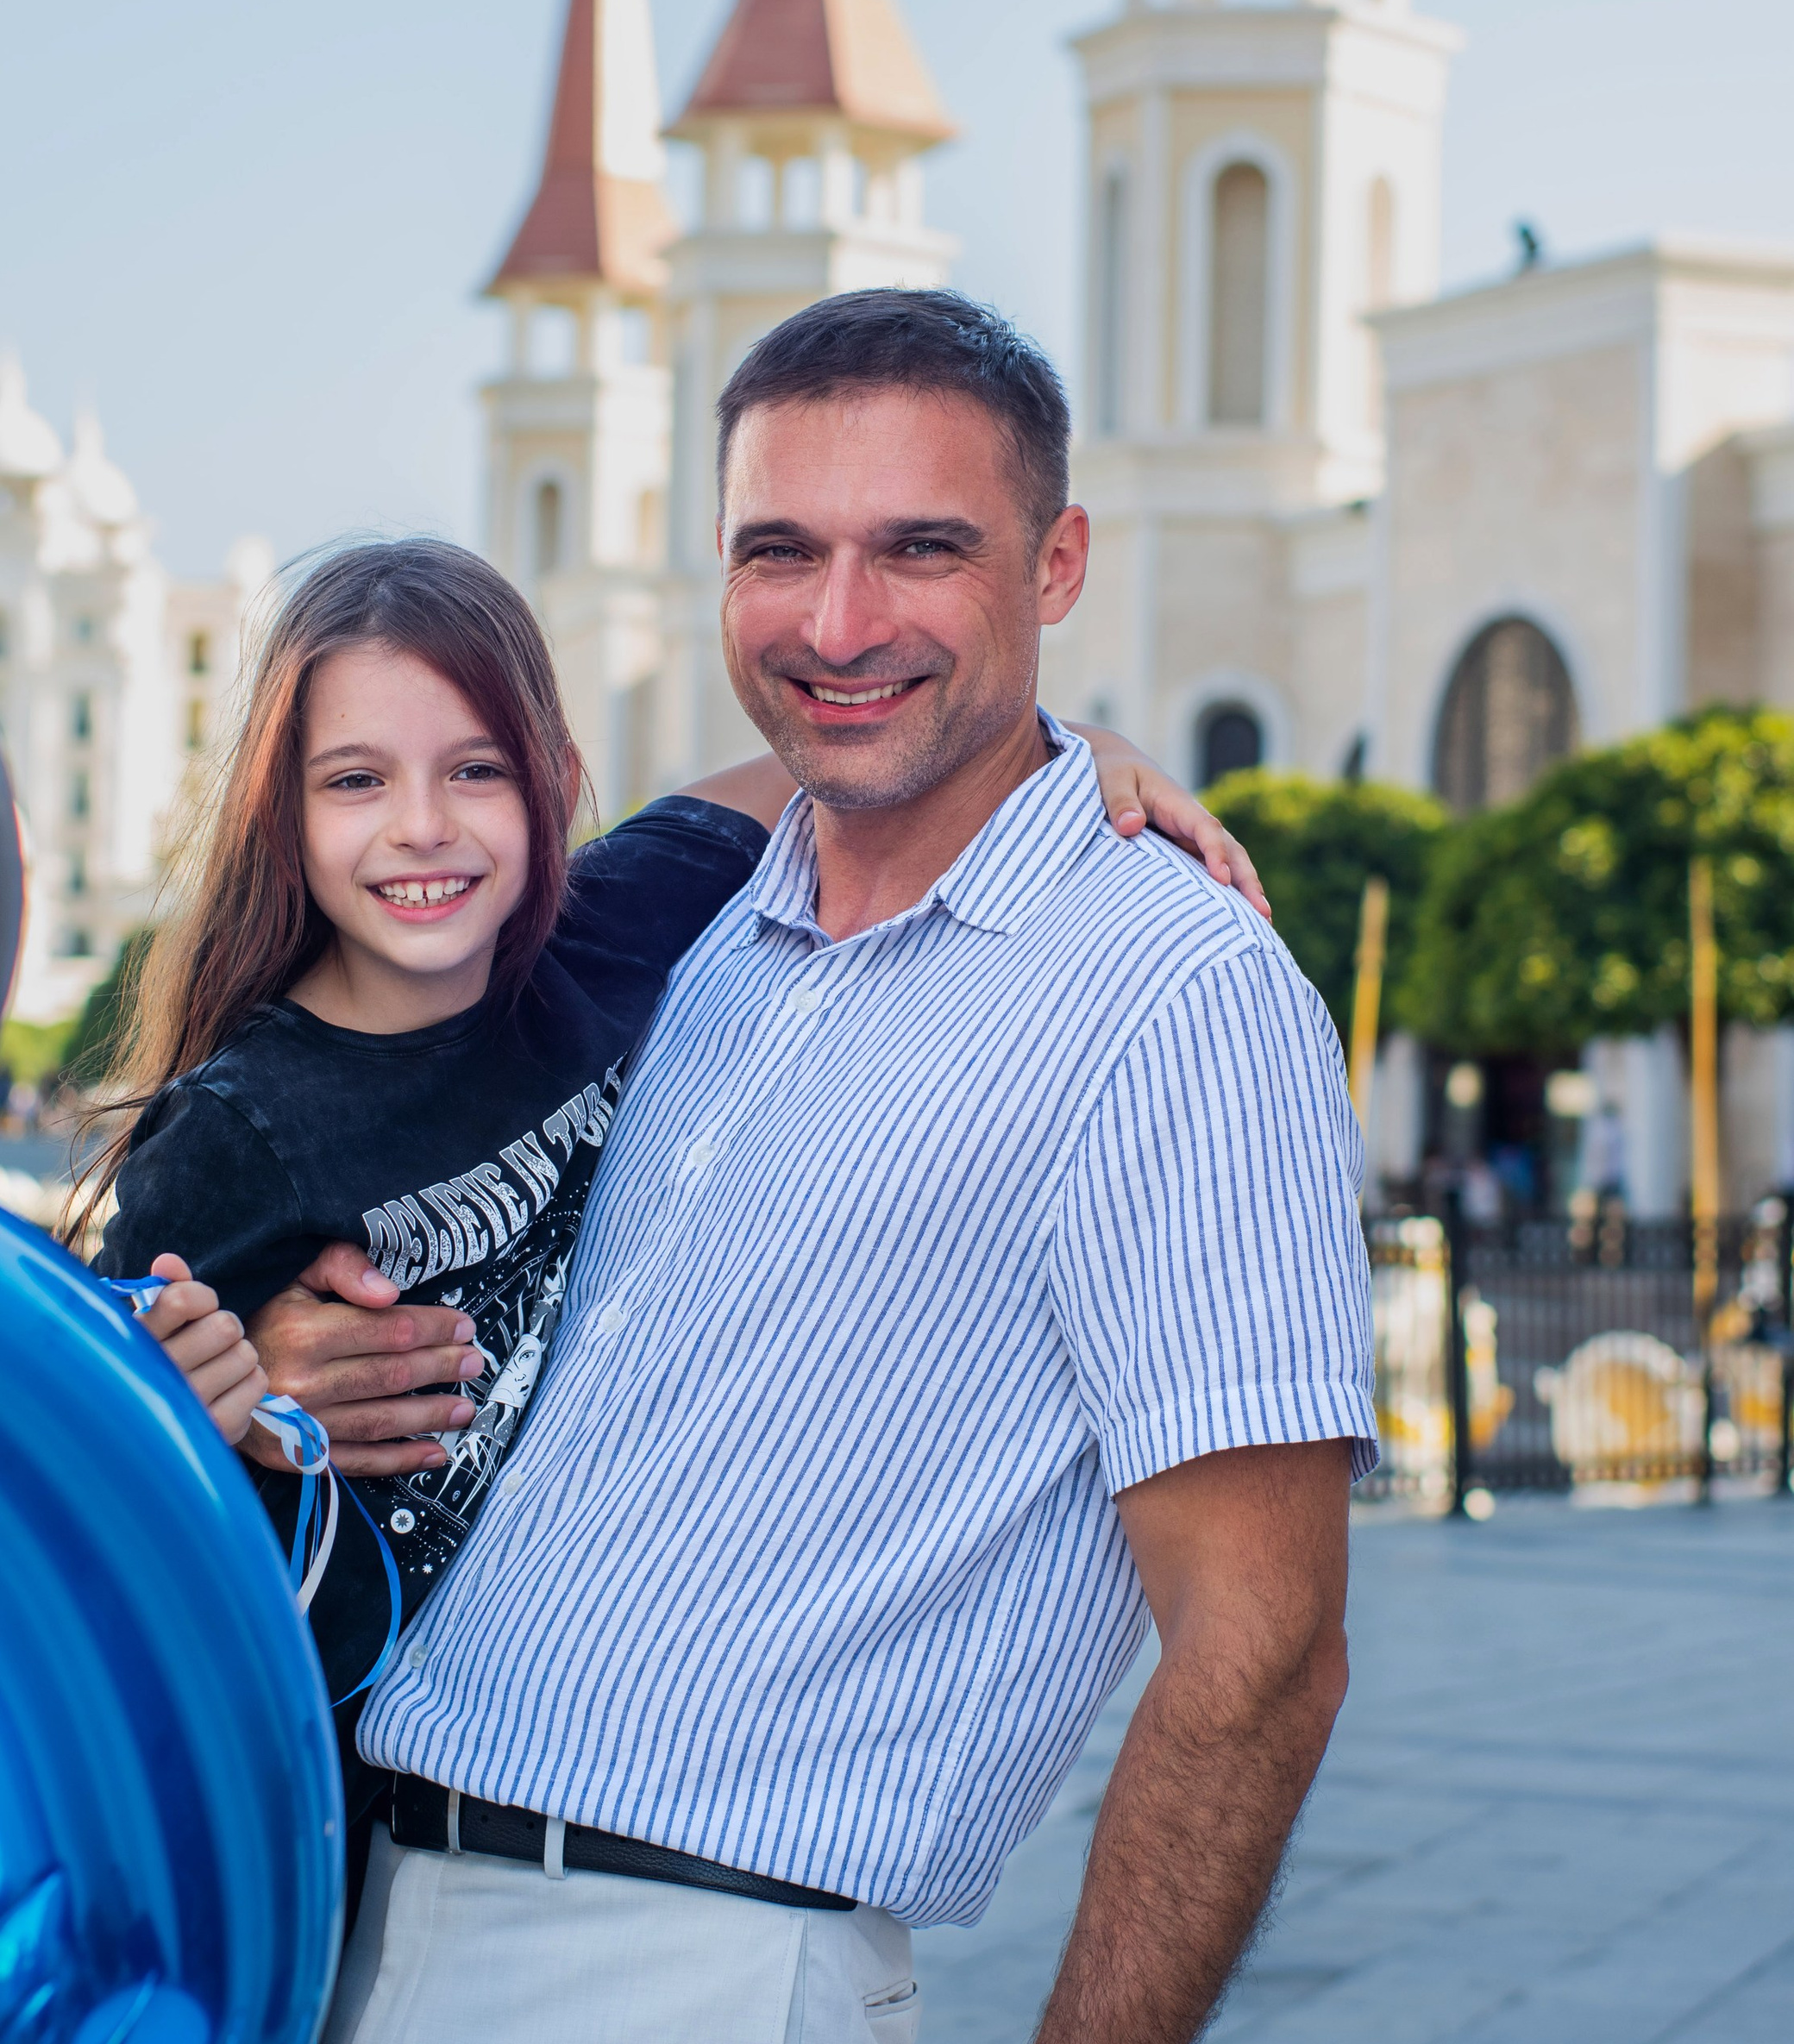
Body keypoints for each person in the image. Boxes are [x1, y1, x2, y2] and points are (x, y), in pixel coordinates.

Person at [261, 290, 1374, 2044]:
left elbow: (1261, 1651)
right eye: (778, 551)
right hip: (373, 1904)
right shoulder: (700, 930)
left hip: (684, 1961)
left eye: (919, 549)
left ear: (1053, 563)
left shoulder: (1171, 993)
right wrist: (300, 1357)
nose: (836, 622)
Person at [80, 531, 1260, 1933]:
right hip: (277, 1817)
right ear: (283, 816)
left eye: (476, 770)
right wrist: (203, 1406)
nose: (423, 827)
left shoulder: (617, 928)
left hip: (507, 1825)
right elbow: (79, 1495)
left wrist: (1081, 749)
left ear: (551, 783)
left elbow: (840, 763)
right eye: (356, 781)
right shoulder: (236, 1130)